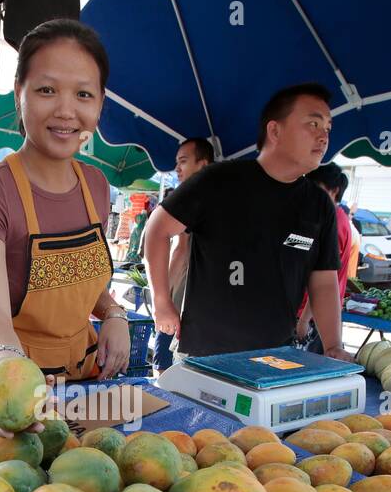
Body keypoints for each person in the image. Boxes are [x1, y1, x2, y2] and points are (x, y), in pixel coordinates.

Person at [0, 18, 131, 393]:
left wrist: (114, 314)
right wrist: (6, 359)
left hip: (79, 383)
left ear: (100, 102)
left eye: (84, 94)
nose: (66, 111)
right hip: (5, 388)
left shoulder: (97, 186)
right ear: (20, 91)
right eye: (47, 90)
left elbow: (81, 282)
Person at [144, 82, 347, 361]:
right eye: (313, 124)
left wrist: (333, 344)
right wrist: (161, 301)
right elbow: (157, 228)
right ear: (274, 131)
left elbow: (324, 281)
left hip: (275, 356)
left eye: (327, 128)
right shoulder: (218, 180)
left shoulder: (319, 204)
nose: (323, 137)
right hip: (205, 354)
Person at [153, 136, 213, 371]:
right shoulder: (224, 197)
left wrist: (163, 296)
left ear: (203, 164)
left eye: (183, 161)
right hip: (209, 303)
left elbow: (180, 249)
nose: (177, 168)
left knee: (165, 361)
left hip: (187, 291)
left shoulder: (191, 198)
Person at [296, 161, 358, 353]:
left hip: (314, 320)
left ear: (334, 191)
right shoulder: (323, 218)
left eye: (317, 189)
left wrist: (304, 319)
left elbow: (321, 280)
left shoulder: (335, 223)